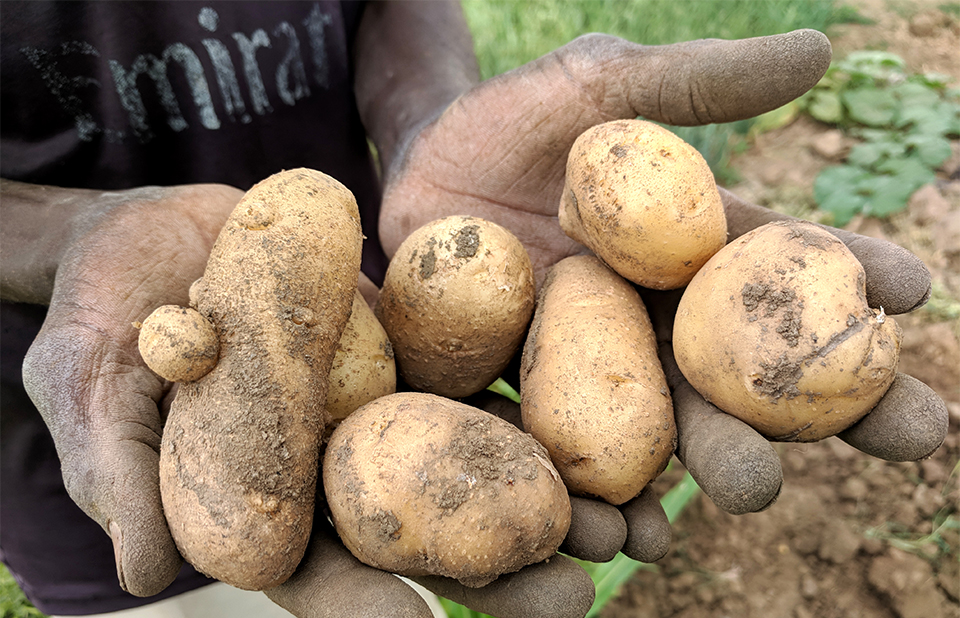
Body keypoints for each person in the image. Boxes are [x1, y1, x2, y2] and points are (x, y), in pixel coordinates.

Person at [1, 2, 948, 618]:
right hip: (70, 407)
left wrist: (428, 119)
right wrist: (61, 235)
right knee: (179, 581)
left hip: (363, 306)